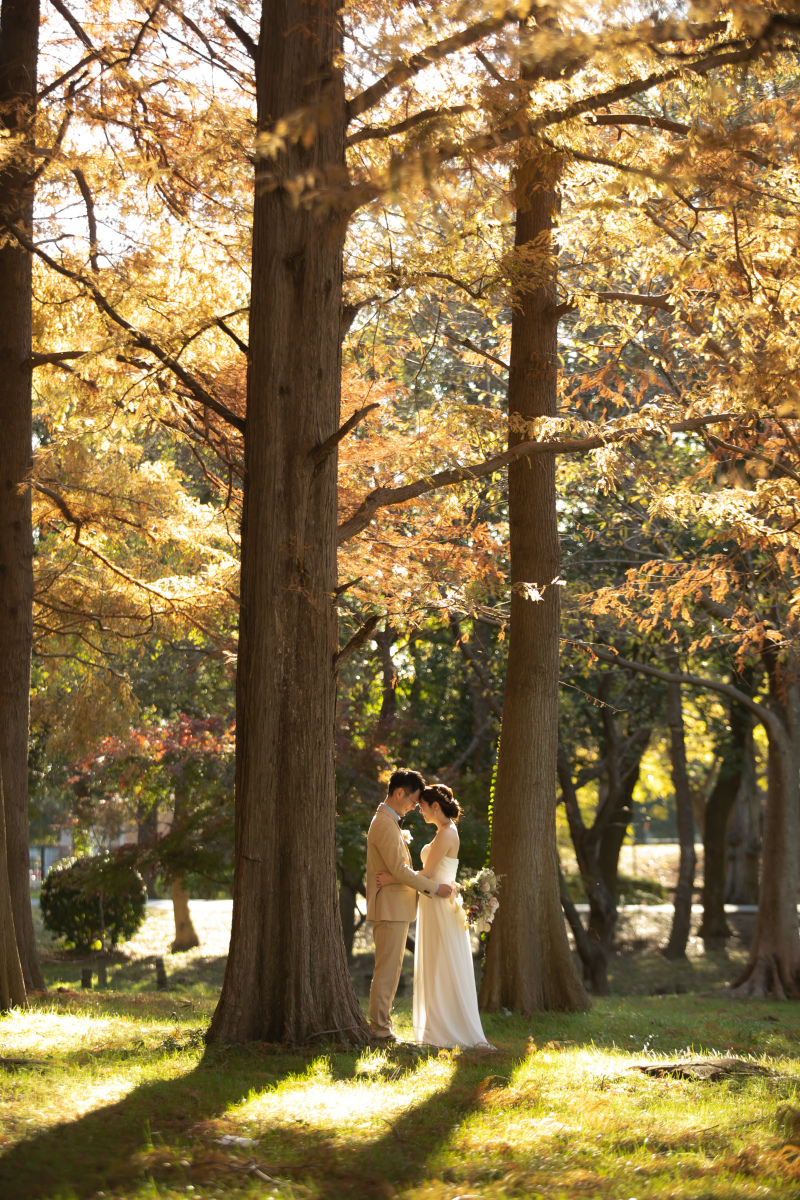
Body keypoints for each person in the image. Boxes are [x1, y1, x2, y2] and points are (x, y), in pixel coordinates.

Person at [377, 782, 491, 1049]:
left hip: (440, 904)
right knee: (437, 963)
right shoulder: (444, 831)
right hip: (434, 900)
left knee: (443, 963)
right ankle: (437, 1028)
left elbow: (427, 875)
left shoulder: (446, 834)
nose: (420, 812)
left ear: (435, 806)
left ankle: (446, 1030)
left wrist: (393, 878)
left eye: (423, 807)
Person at [366, 768, 453, 1043]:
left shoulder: (390, 822)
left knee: (391, 971)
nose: (415, 808)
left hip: (395, 906)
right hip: (389, 908)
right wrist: (435, 888)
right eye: (413, 801)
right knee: (387, 971)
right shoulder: (383, 822)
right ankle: (380, 1030)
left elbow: (398, 871)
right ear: (399, 792)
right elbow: (401, 871)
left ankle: (382, 1026)